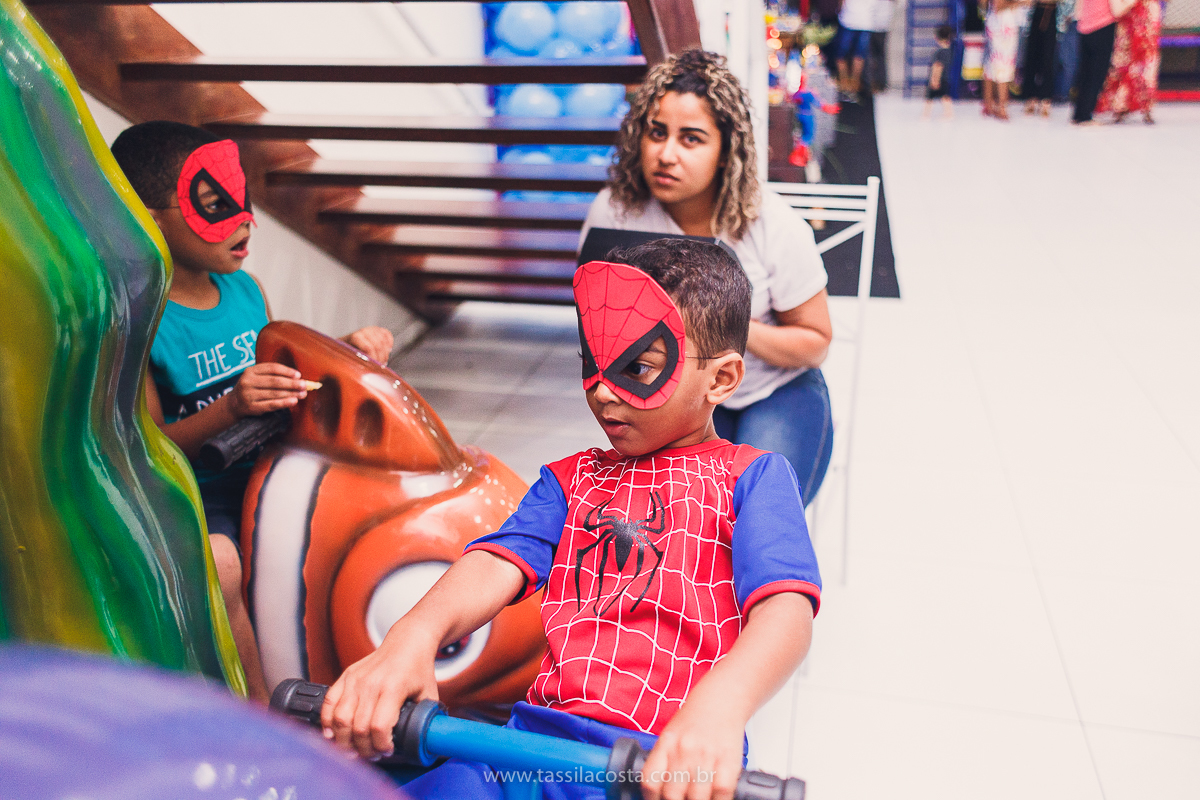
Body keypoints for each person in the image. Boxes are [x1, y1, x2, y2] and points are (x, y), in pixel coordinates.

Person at [321, 239, 821, 800]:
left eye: (639, 368)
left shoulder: (751, 477)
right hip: (531, 749)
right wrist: (410, 639)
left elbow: (787, 610)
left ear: (722, 380)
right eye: (593, 362)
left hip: (670, 766)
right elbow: (495, 561)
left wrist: (720, 708)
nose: (604, 390)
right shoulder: (569, 480)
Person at [110, 121, 395, 701]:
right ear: (148, 216)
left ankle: (353, 682)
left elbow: (287, 381)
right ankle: (268, 714)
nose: (246, 221)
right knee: (226, 564)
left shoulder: (247, 292)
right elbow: (153, 445)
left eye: (243, 200)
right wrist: (232, 405)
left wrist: (346, 351)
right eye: (216, 206)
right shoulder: (141, 321)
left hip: (273, 474)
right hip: (203, 495)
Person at [580, 49, 834, 507]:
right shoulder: (615, 213)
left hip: (770, 390)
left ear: (725, 151)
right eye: (656, 133)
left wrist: (716, 324)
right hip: (667, 397)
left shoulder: (772, 224)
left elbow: (815, 342)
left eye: (691, 139)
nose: (665, 154)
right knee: (662, 523)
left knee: (753, 518)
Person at [1096, 0, 1162, 123]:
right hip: (1128, 17)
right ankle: (1121, 106)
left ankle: (1144, 106)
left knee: (1146, 65)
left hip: (1146, 18)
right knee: (1123, 63)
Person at [1072, 0, 1117, 124]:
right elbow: (1117, 9)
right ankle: (1086, 115)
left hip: (1084, 27)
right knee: (1096, 74)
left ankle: (1078, 113)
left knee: (1085, 72)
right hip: (1103, 25)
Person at [981, 0, 1026, 119]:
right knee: (1002, 67)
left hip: (1000, 22)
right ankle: (1001, 107)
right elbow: (998, 5)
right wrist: (1017, 3)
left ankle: (990, 103)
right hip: (1003, 26)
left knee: (992, 66)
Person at [1022, 0, 1060, 116]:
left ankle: (1045, 99)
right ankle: (1030, 97)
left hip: (1051, 12)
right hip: (1035, 12)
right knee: (1031, 56)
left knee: (1047, 59)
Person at [835, 0, 878, 100]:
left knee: (858, 55)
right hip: (848, 20)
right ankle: (844, 84)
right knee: (842, 54)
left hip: (863, 21)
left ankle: (854, 86)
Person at [924, 25, 956, 118]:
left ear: (936, 37)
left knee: (930, 97)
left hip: (938, 78)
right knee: (945, 96)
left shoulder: (939, 52)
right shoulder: (949, 51)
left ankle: (926, 114)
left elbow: (937, 66)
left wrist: (934, 79)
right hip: (946, 78)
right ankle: (949, 113)